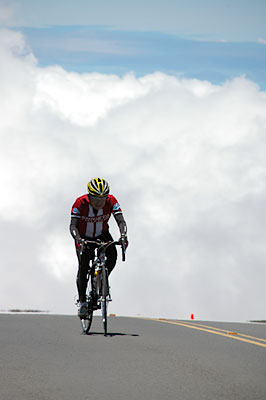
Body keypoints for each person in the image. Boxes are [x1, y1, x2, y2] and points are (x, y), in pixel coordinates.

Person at [70, 177, 128, 318]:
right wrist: (78, 240)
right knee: (83, 267)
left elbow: (121, 220)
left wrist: (123, 235)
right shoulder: (80, 203)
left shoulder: (111, 201)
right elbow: (72, 226)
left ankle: (102, 279)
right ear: (89, 197)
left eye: (102, 199)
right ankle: (83, 302)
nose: (99, 202)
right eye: (96, 199)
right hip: (84, 237)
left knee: (113, 255)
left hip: (102, 234)